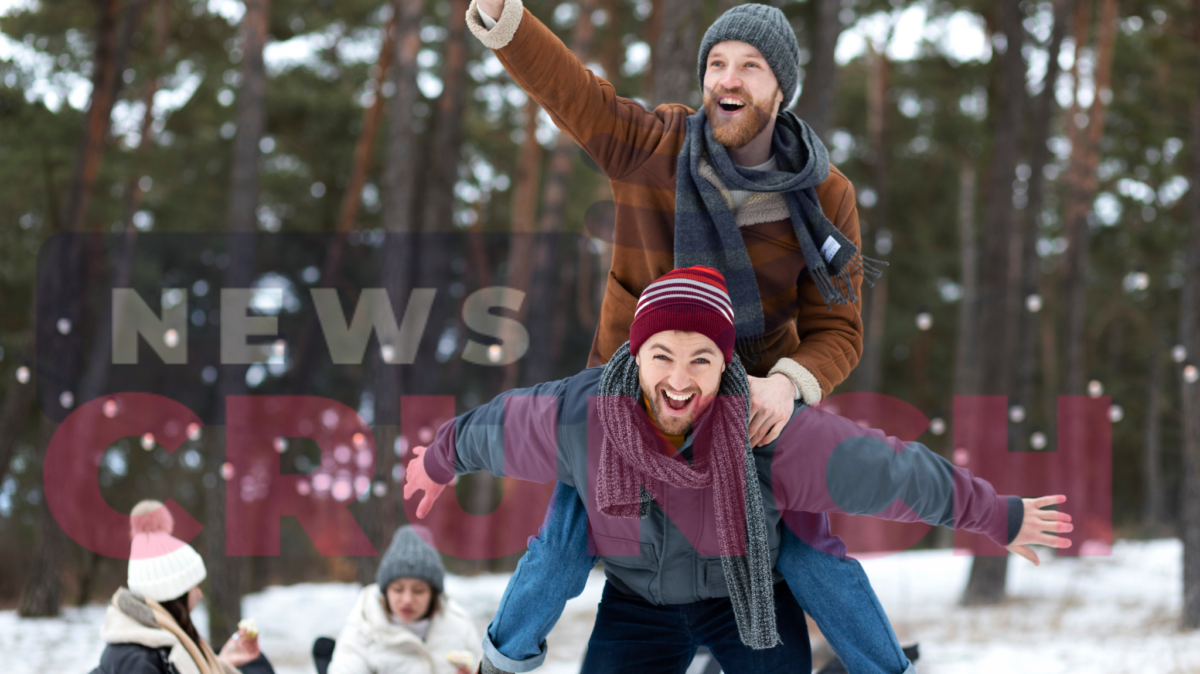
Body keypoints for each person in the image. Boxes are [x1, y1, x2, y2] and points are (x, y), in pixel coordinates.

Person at [464, 4, 921, 672]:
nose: (726, 79)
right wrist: (506, 20)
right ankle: (499, 664)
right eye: (716, 63)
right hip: (632, 399)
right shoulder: (651, 147)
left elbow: (837, 327)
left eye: (749, 66)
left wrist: (787, 384)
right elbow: (570, 91)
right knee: (562, 550)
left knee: (807, 555)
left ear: (779, 88)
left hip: (746, 406)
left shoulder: (825, 195)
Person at [404, 266, 1073, 674]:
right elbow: (492, 428)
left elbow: (891, 473)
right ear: (636, 355)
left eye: (701, 358)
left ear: (726, 366)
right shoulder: (583, 416)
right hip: (638, 604)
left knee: (814, 562)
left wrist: (997, 515)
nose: (678, 378)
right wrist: (438, 461)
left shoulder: (767, 429)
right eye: (662, 354)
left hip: (745, 600)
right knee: (561, 550)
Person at [91, 500, 271, 674]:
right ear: (175, 592)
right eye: (195, 586)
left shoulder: (157, 644)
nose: (200, 593)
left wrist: (222, 661)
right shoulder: (142, 660)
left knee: (258, 664)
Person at [328, 525, 483, 674]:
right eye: (398, 589)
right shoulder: (363, 625)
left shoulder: (460, 626)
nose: (407, 599)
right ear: (385, 591)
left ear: (433, 594)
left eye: (418, 590)